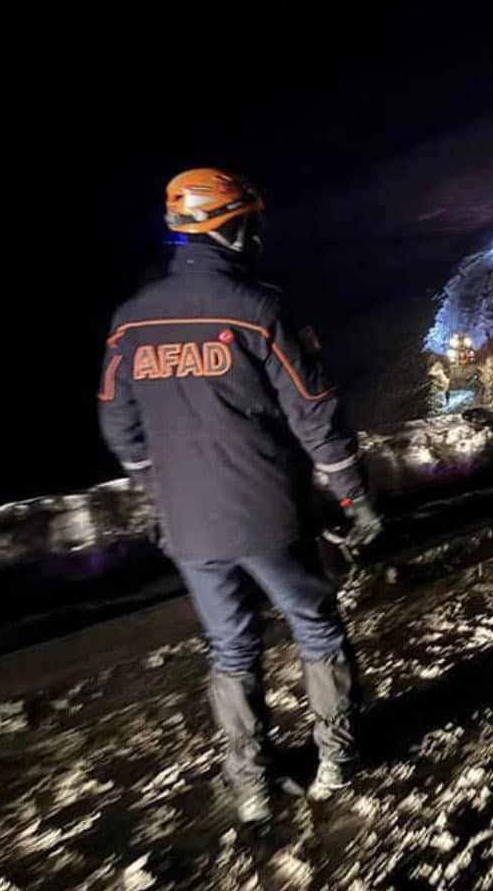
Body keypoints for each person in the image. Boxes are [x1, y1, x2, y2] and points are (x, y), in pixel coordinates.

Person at [98, 168, 383, 822]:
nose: (259, 235)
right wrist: (351, 495)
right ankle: (335, 762)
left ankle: (252, 786)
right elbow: (315, 409)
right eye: (252, 222)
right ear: (234, 227)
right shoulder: (258, 308)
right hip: (266, 513)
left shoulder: (129, 321)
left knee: (230, 647)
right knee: (317, 628)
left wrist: (161, 485)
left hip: (187, 526)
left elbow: (119, 424)